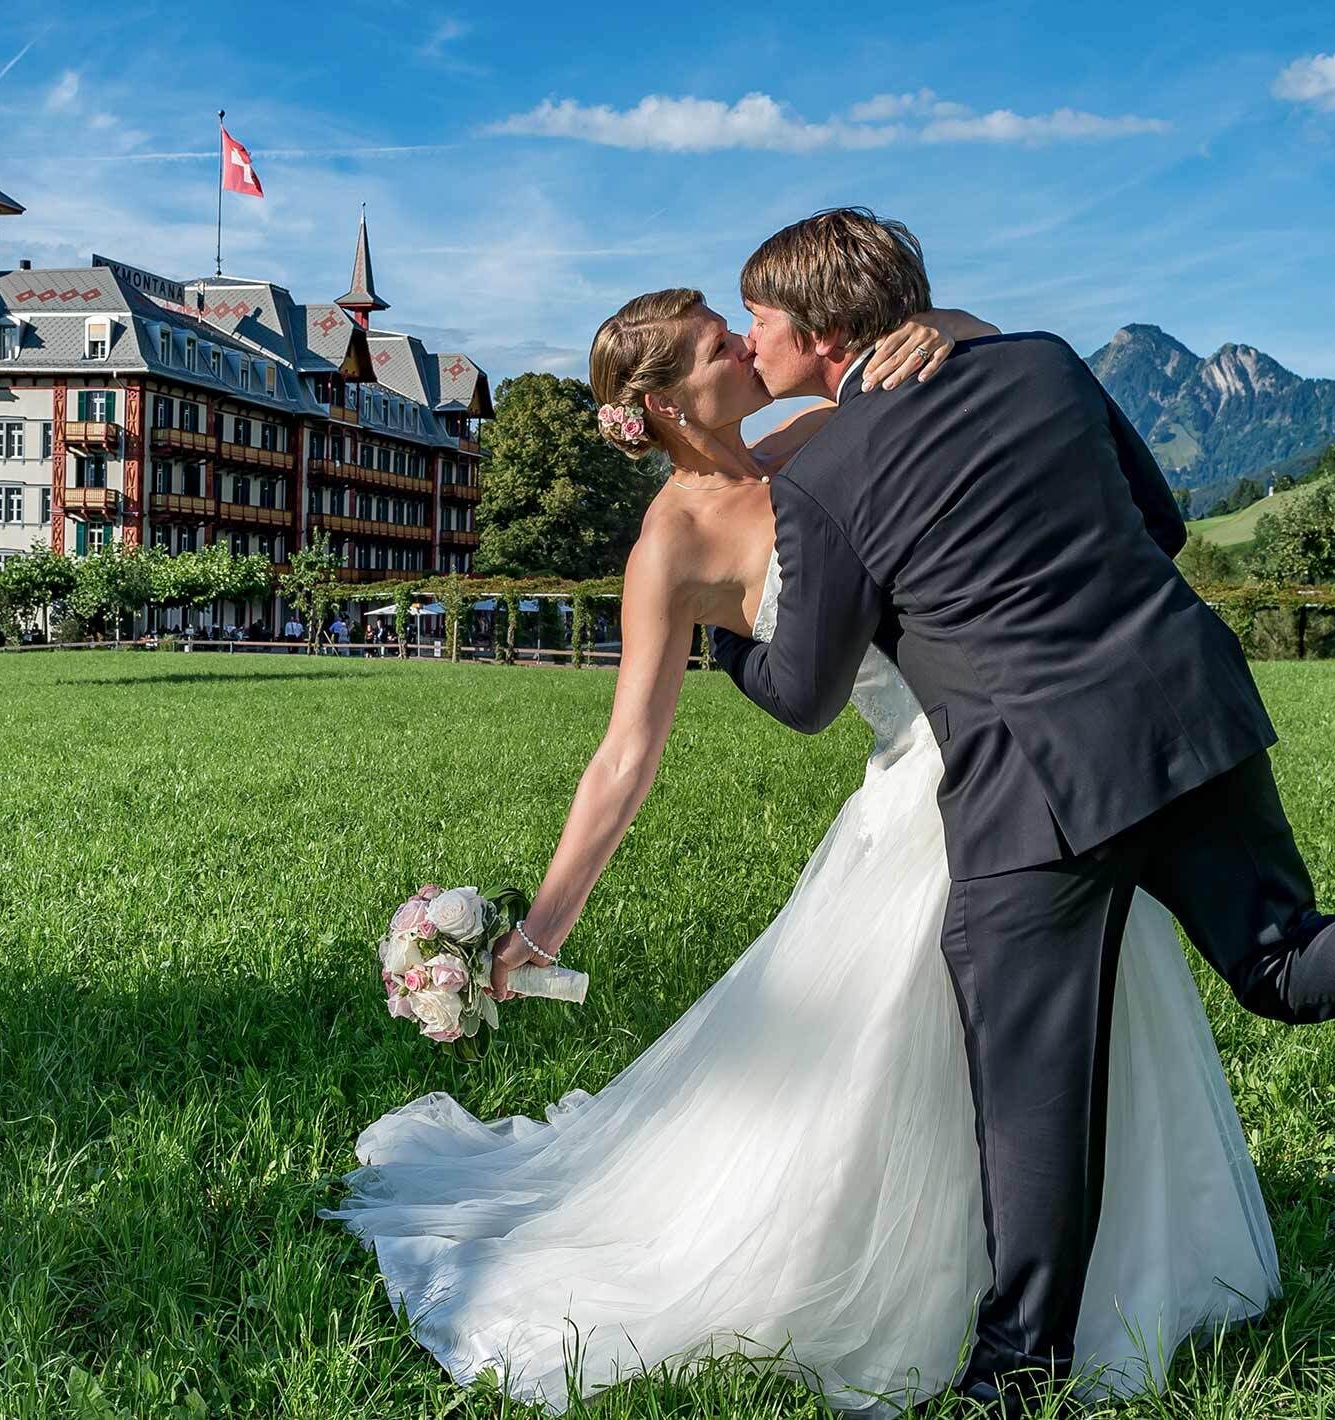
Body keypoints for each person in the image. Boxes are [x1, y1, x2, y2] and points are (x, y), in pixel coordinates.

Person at [708, 209, 1335, 1405]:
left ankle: (1016, 1369)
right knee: (1284, 959)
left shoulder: (821, 476)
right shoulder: (1041, 363)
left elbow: (807, 692)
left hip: (1035, 787)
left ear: (824, 334)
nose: (744, 336)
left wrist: (722, 638)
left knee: (1033, 1085)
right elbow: (1166, 522)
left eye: (758, 315)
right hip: (1191, 704)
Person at [323, 290, 1282, 1413]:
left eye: (737, 328)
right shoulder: (670, 544)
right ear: (666, 402)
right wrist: (543, 922)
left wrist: (945, 323)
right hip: (929, 790)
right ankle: (952, 1288)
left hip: (1029, 748)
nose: (743, 340)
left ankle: (1066, 1279)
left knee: (1068, 1034)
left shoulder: (814, 438)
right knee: (914, 1054)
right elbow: (624, 756)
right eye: (714, 344)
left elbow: (976, 360)